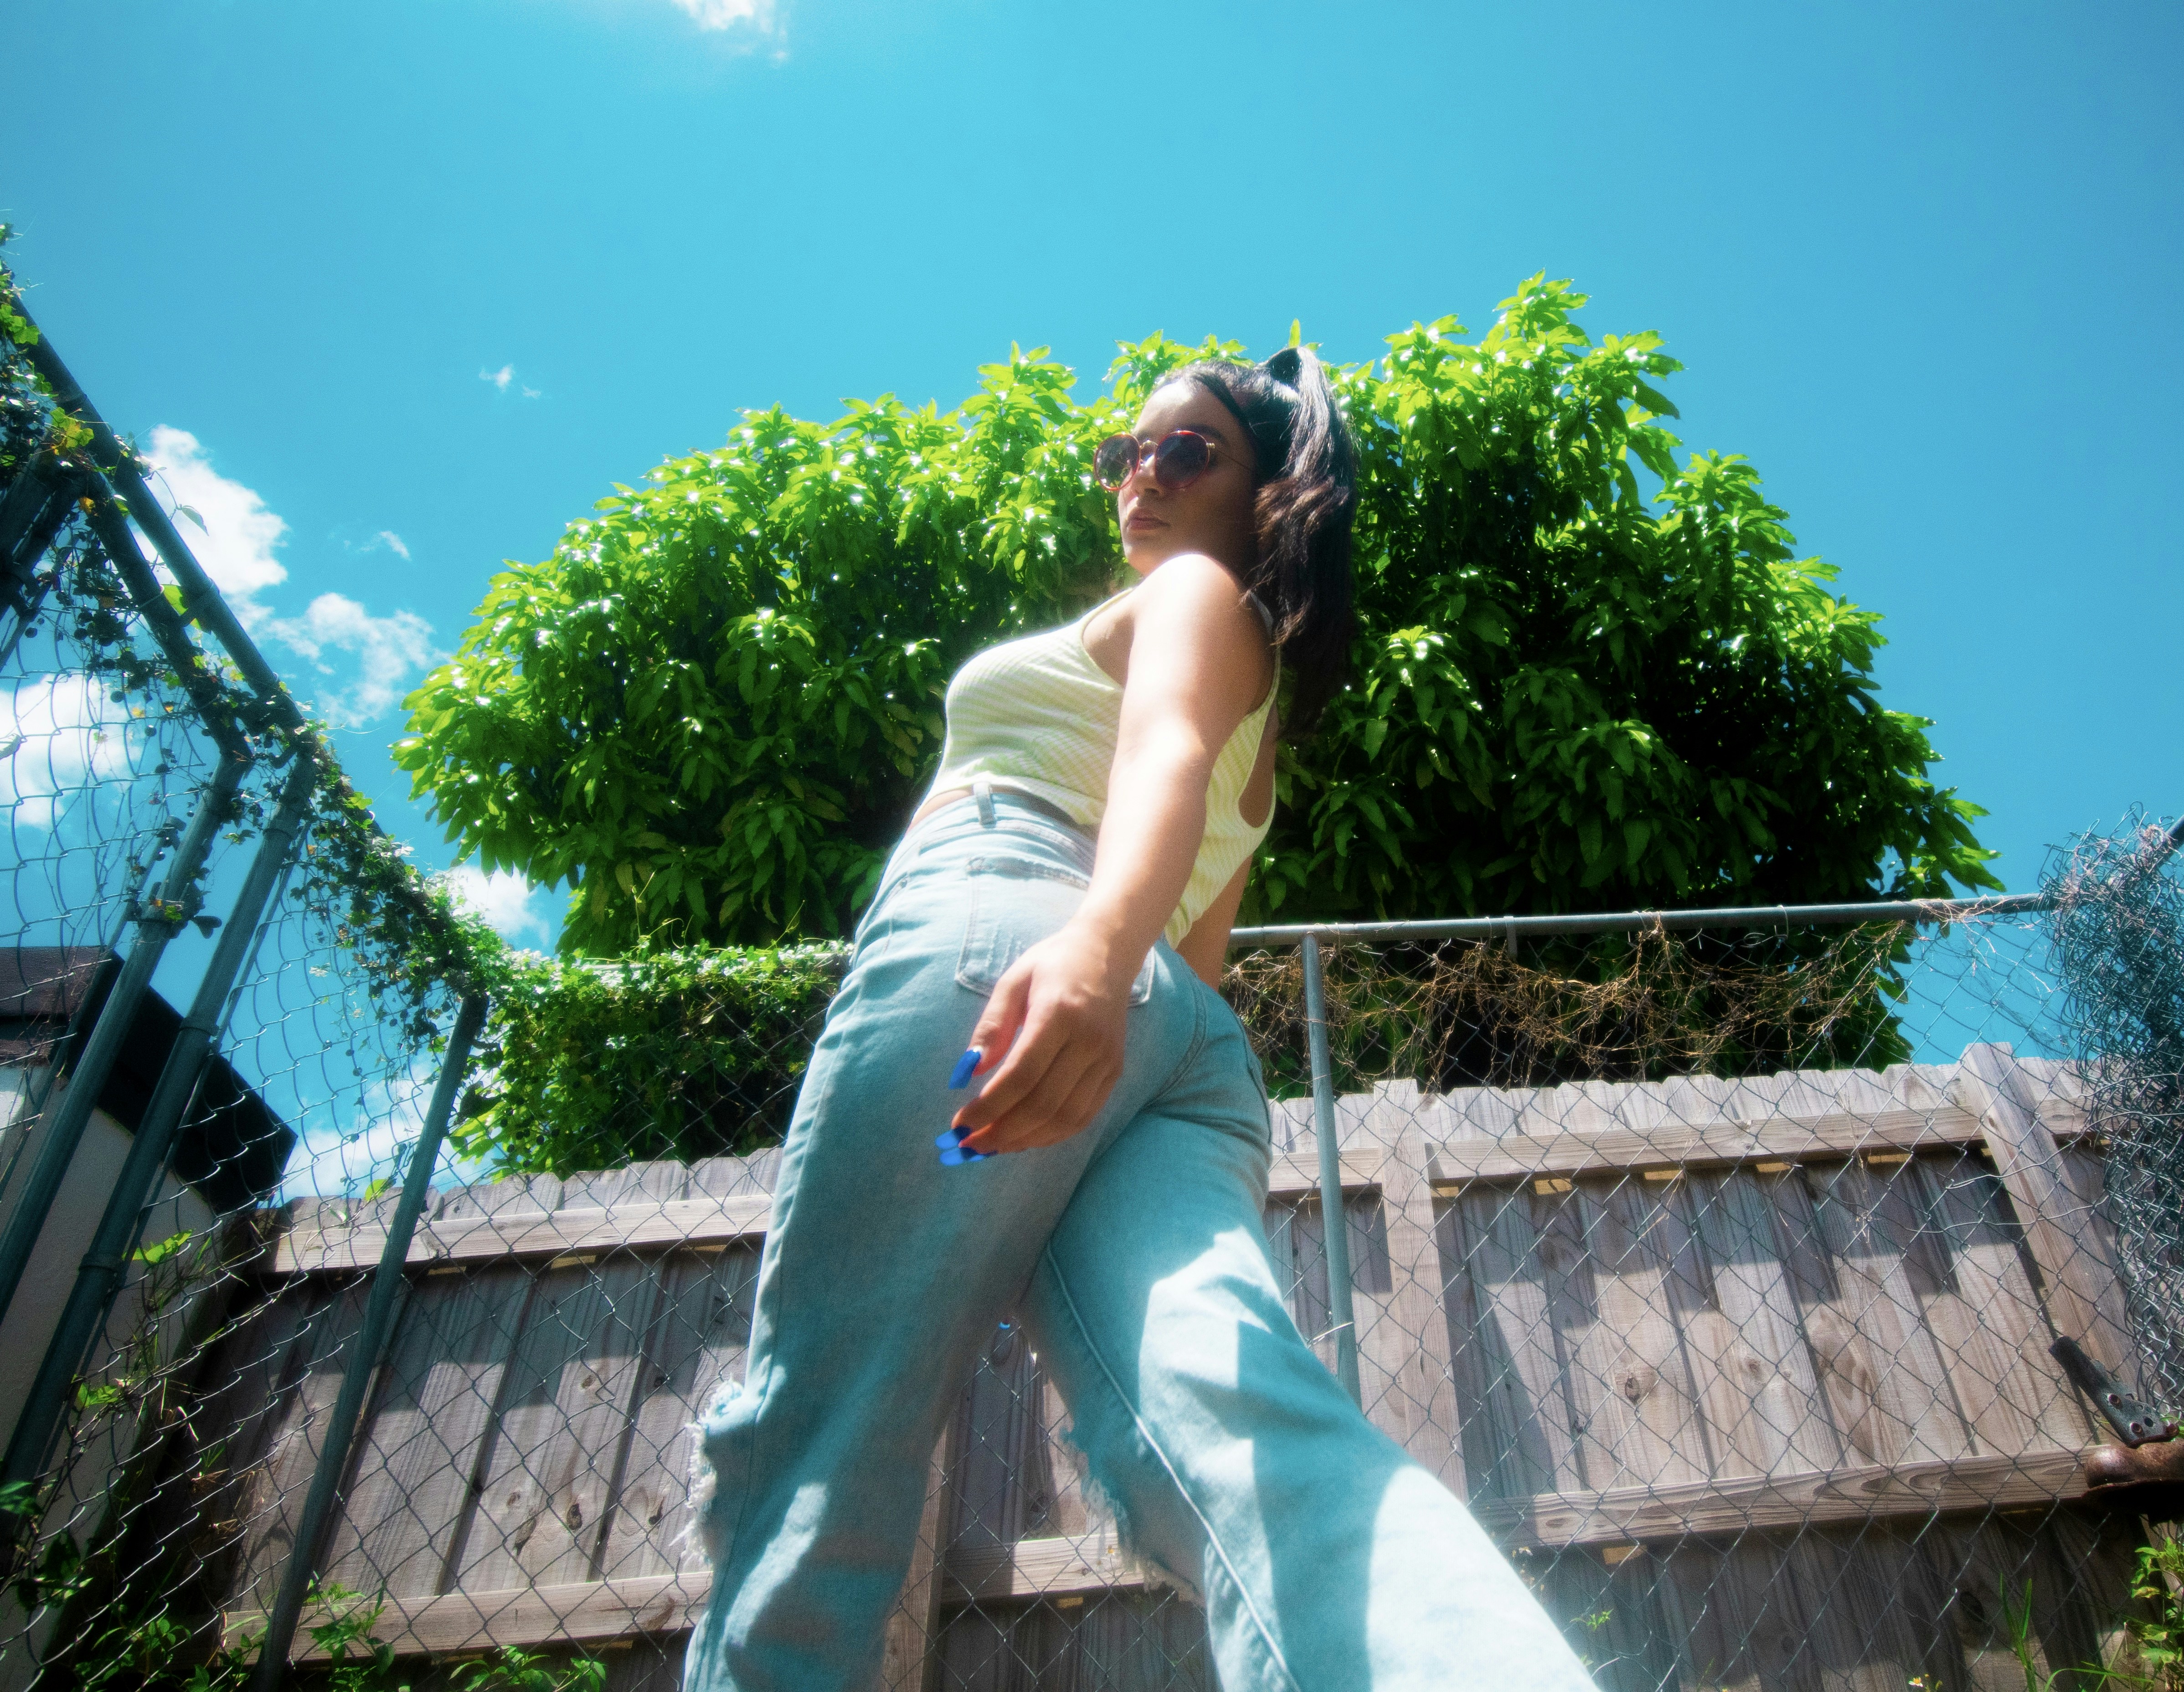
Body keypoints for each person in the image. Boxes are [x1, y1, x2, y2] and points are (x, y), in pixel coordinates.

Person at [686, 347, 1597, 1691]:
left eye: (1190, 451)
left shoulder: (1189, 593)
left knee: (829, 1426)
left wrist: (1092, 959)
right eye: (1128, 452)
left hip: (1007, 962)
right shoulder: (1262, 709)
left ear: (1270, 491)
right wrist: (1121, 983)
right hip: (1162, 1050)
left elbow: (1160, 754)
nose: (1142, 477)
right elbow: (1206, 952)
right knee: (1236, 1423)